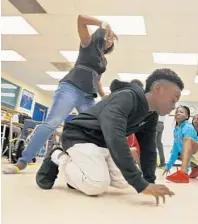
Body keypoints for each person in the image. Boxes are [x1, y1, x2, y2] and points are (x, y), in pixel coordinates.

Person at [35, 68, 183, 205]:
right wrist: (140, 183)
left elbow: (148, 148)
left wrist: (149, 181)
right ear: (158, 88)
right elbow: (115, 136)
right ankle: (57, 156)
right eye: (173, 100)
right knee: (97, 185)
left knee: (125, 182)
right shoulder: (126, 97)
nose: (174, 107)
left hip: (103, 144)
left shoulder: (151, 116)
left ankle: (79, 176)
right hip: (81, 136)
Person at [3, 15, 117, 174]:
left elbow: (97, 80)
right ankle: (22, 162)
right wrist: (104, 23)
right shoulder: (88, 44)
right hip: (70, 87)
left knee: (96, 128)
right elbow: (80, 19)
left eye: (111, 39)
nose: (109, 39)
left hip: (88, 96)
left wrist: (104, 96)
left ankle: (94, 164)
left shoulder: (103, 61)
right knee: (52, 123)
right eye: (107, 36)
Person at [163, 106, 198, 183]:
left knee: (187, 140)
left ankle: (183, 173)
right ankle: (195, 169)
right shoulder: (176, 131)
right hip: (195, 156)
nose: (178, 113)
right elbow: (175, 150)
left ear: (187, 116)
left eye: (181, 112)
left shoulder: (188, 127)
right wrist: (168, 166)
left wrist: (185, 171)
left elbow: (188, 149)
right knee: (175, 151)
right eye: (176, 112)